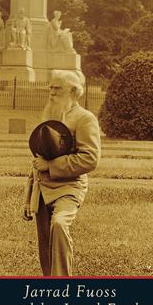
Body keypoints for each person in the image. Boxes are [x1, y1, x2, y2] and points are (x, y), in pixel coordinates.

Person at [23, 70, 101, 276]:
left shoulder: (85, 119)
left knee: (58, 225)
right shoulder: (48, 116)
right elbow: (37, 160)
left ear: (74, 91)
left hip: (69, 188)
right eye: (50, 87)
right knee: (45, 245)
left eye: (57, 88)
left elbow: (90, 158)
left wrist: (51, 166)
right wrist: (27, 198)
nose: (51, 92)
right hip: (42, 189)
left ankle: (62, 286)